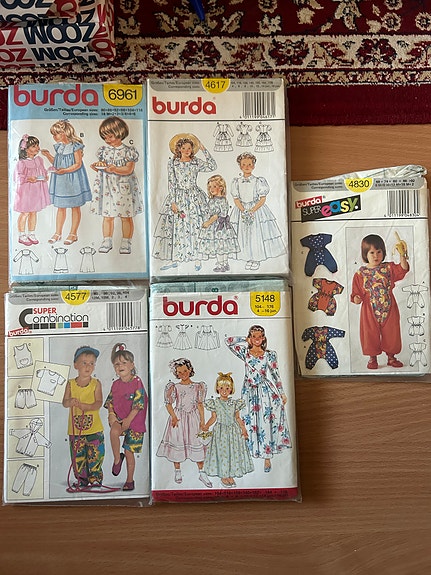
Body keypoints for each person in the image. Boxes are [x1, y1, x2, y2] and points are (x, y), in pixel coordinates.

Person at [225, 325, 292, 472]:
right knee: (248, 421)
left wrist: (282, 393)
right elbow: (228, 342)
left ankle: (267, 458)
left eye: (259, 336)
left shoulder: (269, 355)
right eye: (253, 336)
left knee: (265, 422)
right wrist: (245, 339)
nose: (256, 339)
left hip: (264, 391)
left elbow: (275, 375)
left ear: (263, 338)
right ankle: (250, 455)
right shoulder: (244, 352)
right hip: (248, 391)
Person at [152, 133, 217, 271]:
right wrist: (173, 202)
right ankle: (176, 259)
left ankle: (197, 258)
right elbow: (171, 182)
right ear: (178, 149)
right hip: (178, 197)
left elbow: (212, 166)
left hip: (194, 197)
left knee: (196, 226)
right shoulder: (173, 163)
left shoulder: (196, 162)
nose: (187, 151)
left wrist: (203, 149)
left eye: (189, 148)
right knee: (178, 228)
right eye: (184, 148)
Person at [350, 233, 409, 370]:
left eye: (379, 251)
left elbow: (403, 269)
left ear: (383, 252)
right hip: (369, 310)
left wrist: (402, 255)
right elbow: (356, 292)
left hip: (389, 307)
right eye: (372, 252)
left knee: (392, 332)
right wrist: (356, 298)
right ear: (365, 254)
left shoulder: (388, 268)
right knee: (369, 333)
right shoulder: (360, 273)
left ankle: (391, 357)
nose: (376, 255)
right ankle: (372, 358)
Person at [90, 116, 143, 255]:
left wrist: (114, 169)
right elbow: (103, 168)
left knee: (126, 216)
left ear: (120, 133)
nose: (107, 140)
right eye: (105, 137)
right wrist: (97, 167)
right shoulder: (103, 151)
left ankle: (126, 241)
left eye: (110, 136)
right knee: (107, 216)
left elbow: (129, 169)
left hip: (123, 187)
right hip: (107, 188)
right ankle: (107, 240)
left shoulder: (128, 151)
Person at [156, 357, 212, 488]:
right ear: (176, 373)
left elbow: (200, 404)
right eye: (179, 372)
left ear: (190, 370)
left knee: (197, 443)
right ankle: (177, 471)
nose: (183, 374)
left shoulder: (198, 386)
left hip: (193, 418)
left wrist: (202, 421)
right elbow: (168, 404)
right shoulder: (174, 387)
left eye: (185, 371)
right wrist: (173, 416)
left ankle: (202, 472)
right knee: (177, 442)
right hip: (179, 418)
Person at [230, 152, 286, 270]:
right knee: (243, 234)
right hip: (241, 210)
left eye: (249, 164)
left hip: (256, 210)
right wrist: (243, 210)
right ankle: (247, 257)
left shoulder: (258, 181)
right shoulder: (236, 182)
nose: (246, 167)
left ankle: (256, 258)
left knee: (255, 234)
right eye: (244, 164)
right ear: (240, 166)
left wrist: (252, 210)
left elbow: (262, 199)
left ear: (253, 166)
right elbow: (236, 199)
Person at [104, 343, 148, 492]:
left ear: (132, 365)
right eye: (117, 364)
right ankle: (117, 458)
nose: (120, 366)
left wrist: (129, 420)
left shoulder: (137, 382)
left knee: (129, 452)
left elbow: (139, 403)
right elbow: (110, 401)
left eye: (123, 363)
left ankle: (130, 480)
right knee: (113, 432)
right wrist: (111, 414)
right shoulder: (115, 384)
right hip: (120, 418)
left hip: (135, 422)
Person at [41, 120, 91, 245]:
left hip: (73, 179)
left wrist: (65, 170)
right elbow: (56, 162)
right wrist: (48, 155)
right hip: (61, 181)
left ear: (64, 133)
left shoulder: (75, 146)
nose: (54, 137)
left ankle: (73, 233)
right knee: (61, 207)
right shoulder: (60, 147)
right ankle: (58, 233)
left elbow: (78, 164)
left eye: (56, 134)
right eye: (53, 134)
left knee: (75, 206)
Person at [62, 346, 104, 489]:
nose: (88, 366)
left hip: (95, 429)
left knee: (96, 455)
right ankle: (81, 479)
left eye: (92, 363)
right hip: (75, 430)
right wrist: (70, 402)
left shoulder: (96, 383)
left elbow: (98, 402)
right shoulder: (70, 384)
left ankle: (95, 478)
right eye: (84, 363)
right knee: (77, 456)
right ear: (76, 365)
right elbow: (64, 403)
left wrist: (87, 406)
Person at [202, 372, 254, 488]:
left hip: (233, 430)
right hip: (221, 431)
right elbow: (213, 417)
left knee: (232, 452)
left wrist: (243, 429)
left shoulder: (234, 403)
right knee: (222, 453)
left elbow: (237, 418)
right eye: (221, 388)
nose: (224, 391)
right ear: (217, 388)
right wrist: (206, 426)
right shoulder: (215, 403)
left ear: (231, 389)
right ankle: (223, 475)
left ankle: (230, 474)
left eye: (227, 388)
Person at [13, 134, 50, 246]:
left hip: (36, 191)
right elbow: (17, 178)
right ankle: (21, 234)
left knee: (33, 212)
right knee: (25, 213)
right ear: (26, 149)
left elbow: (43, 171)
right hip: (25, 192)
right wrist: (28, 178)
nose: (37, 148)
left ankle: (31, 233)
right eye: (34, 146)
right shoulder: (22, 163)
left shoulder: (39, 160)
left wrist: (45, 176)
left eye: (37, 145)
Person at [198, 174, 240, 272]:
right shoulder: (220, 200)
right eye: (210, 187)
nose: (211, 189)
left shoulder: (216, 201)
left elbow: (216, 216)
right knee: (223, 246)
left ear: (221, 188)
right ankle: (224, 263)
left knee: (219, 246)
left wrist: (208, 223)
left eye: (214, 186)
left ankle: (221, 264)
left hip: (218, 227)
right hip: (223, 226)